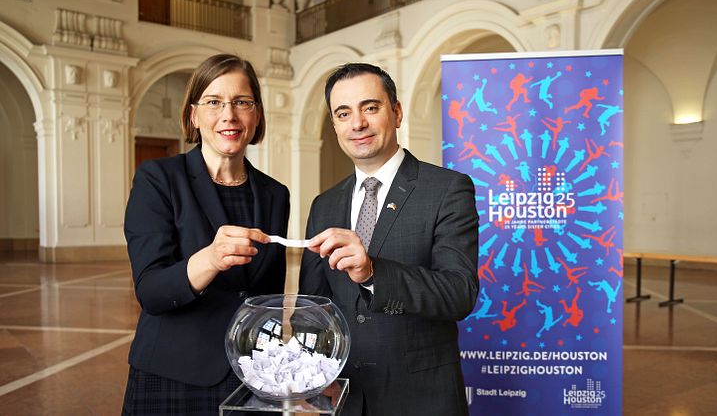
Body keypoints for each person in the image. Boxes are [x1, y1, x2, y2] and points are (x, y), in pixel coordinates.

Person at [300, 63, 479, 416]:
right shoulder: (324, 204)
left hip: (422, 399)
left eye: (371, 107)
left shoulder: (447, 189)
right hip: (345, 399)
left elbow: (460, 293)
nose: (358, 124)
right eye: (343, 113)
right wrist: (313, 376)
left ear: (396, 113)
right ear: (335, 125)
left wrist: (373, 273)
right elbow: (314, 306)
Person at [122, 53, 289, 414]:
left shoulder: (276, 194)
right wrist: (211, 259)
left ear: (256, 115)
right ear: (194, 115)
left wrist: (277, 366)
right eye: (214, 102)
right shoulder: (159, 179)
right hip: (174, 372)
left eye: (242, 102)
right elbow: (151, 291)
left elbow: (268, 298)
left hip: (250, 371)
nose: (228, 115)